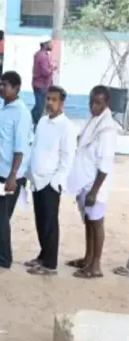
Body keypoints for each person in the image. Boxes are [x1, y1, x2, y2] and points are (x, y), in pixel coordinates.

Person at [66, 85, 117, 279]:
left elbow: (104, 164)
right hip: (85, 180)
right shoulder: (93, 119)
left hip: (96, 185)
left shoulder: (107, 129)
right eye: (91, 102)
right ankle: (87, 258)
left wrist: (94, 191)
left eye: (98, 103)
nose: (93, 106)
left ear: (106, 103)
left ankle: (96, 265)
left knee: (96, 222)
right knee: (88, 221)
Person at [26, 85, 76, 276]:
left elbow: (67, 158)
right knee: (40, 220)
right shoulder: (42, 121)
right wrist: (30, 173)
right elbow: (35, 147)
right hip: (37, 180)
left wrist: (56, 182)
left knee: (50, 223)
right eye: (48, 99)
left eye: (54, 100)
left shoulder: (67, 127)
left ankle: (50, 264)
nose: (49, 103)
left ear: (61, 103)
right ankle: (43, 255)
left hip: (51, 182)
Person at [0, 71, 32, 270]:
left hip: (8, 174)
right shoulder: (3, 108)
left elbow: (20, 147)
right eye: (0, 84)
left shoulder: (21, 112)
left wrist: (13, 175)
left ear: (16, 88)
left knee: (0, 216)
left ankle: (3, 259)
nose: (1, 88)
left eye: (5, 85)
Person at [32, 36, 54, 126]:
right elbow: (45, 72)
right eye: (50, 43)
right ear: (45, 44)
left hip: (38, 84)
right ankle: (33, 123)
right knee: (40, 108)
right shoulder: (43, 56)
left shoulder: (38, 54)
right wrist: (52, 68)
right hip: (42, 86)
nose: (51, 45)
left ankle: (32, 121)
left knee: (39, 105)